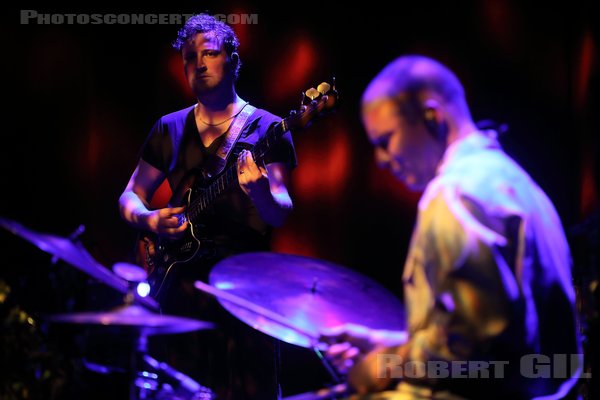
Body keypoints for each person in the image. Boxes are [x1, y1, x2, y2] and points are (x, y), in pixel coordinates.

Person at [323, 55, 582, 399]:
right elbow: (509, 347)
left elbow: (471, 346)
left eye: (386, 141)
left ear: (433, 117)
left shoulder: (455, 193)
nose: (381, 161)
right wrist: (396, 343)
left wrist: (385, 364)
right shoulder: (519, 183)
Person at [118, 13, 297, 400]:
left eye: (209, 53)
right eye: (189, 57)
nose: (198, 64)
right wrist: (149, 220)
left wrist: (262, 193)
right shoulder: (168, 127)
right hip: (179, 292)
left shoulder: (268, 128)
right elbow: (130, 195)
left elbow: (281, 209)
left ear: (232, 59)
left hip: (244, 292)